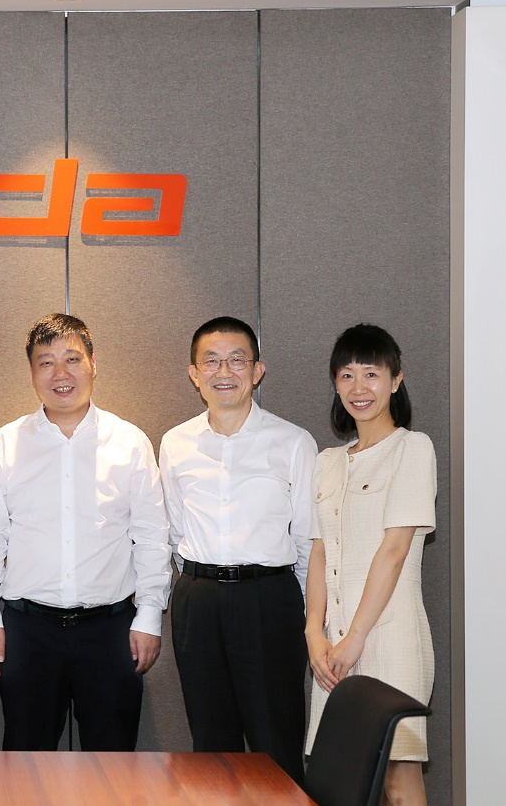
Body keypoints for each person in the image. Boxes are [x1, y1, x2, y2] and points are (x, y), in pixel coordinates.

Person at [0, 313, 170, 751]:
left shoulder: (129, 443)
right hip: (27, 631)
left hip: (112, 631)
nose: (61, 374)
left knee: (113, 767)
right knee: (24, 764)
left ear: (93, 364)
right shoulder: (6, 444)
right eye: (46, 362)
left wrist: (150, 615)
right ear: (32, 372)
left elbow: (152, 537)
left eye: (72, 359)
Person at [158, 316, 315, 783]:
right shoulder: (175, 443)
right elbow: (173, 530)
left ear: (257, 370)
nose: (223, 371)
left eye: (236, 360)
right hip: (198, 600)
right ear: (194, 374)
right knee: (210, 745)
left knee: (276, 740)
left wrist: (308, 616)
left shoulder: (293, 442)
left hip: (269, 600)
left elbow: (308, 539)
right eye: (211, 361)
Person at [305, 324, 435, 806]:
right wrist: (313, 633)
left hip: (388, 639)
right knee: (343, 784)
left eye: (371, 373)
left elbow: (394, 551)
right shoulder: (327, 461)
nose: (358, 387)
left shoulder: (412, 449)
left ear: (396, 380)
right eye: (346, 374)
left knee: (398, 782)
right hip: (333, 646)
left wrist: (355, 638)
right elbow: (319, 551)